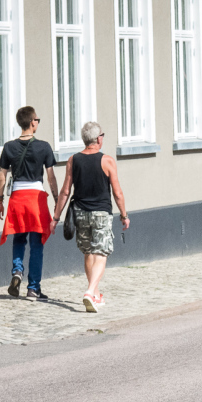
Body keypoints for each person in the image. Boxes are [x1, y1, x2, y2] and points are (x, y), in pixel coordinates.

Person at [51, 122, 128, 313]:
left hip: (80, 214)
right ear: (98, 139)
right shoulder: (107, 161)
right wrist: (124, 215)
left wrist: (55, 217)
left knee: (88, 252)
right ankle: (89, 291)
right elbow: (117, 193)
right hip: (101, 213)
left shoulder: (73, 160)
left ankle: (95, 294)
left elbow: (65, 191)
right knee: (101, 253)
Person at [0, 107, 58, 301]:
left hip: (17, 199)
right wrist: (57, 201)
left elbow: (1, 177)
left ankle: (17, 271)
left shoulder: (9, 147)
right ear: (32, 122)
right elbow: (51, 177)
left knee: (19, 238)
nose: (38, 122)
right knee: (37, 244)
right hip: (35, 199)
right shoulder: (44, 147)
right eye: (37, 119)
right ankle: (33, 289)